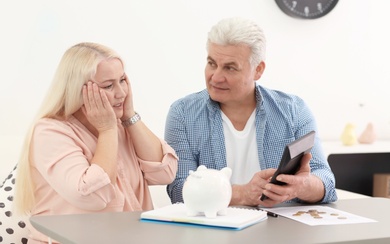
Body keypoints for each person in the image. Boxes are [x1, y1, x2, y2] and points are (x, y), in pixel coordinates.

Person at [14, 42, 178, 243]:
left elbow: (166, 173)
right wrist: (107, 130)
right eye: (108, 85)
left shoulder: (122, 125)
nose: (121, 93)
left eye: (123, 80)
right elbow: (92, 196)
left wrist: (129, 116)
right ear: (78, 91)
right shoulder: (49, 132)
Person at [165, 17, 337, 208]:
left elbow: (326, 181)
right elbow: (179, 191)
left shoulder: (294, 110)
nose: (216, 77)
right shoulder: (182, 114)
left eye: (230, 68)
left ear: (258, 70)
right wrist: (241, 194)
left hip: (280, 232)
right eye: (212, 63)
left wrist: (301, 186)